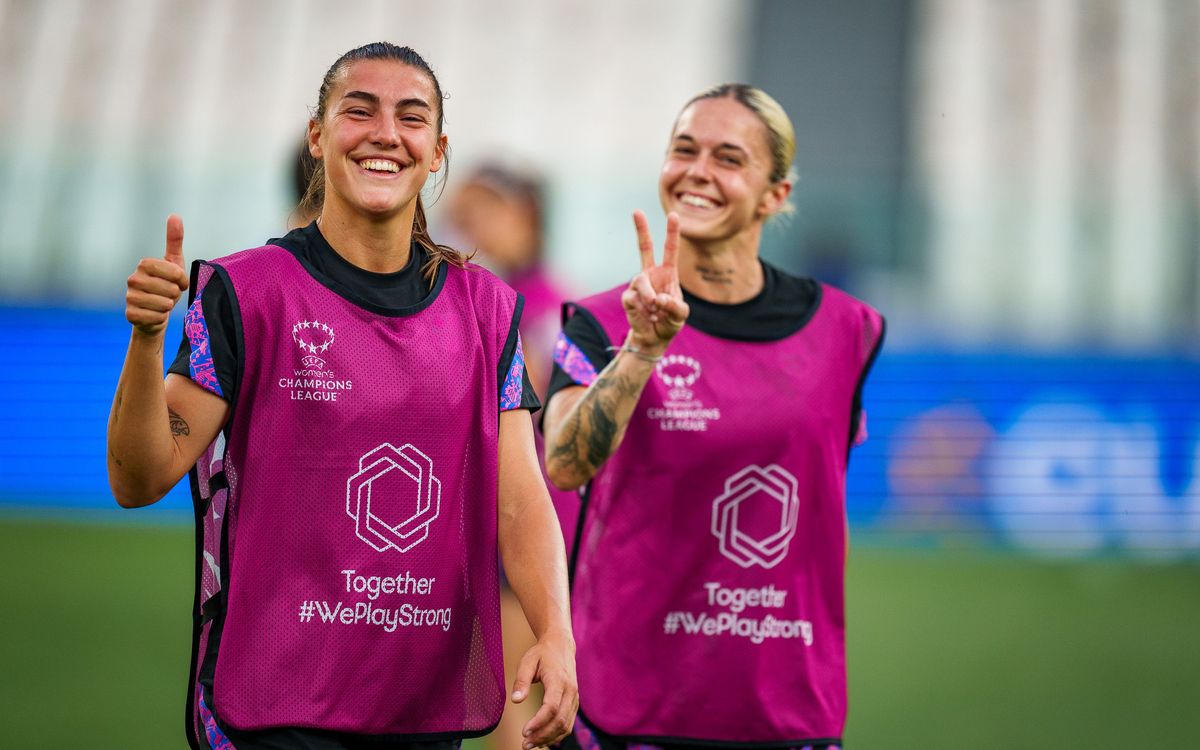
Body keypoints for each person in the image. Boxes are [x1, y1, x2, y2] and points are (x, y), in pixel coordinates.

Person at [107, 42, 576, 750]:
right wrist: (146, 339)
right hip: (270, 710)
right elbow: (138, 477)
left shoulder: (488, 311)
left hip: (420, 710)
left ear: (437, 149)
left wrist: (556, 635)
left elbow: (518, 498)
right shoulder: (247, 294)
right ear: (319, 137)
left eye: (410, 117)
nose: (386, 133)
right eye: (360, 111)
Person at [541, 84, 885, 749]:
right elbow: (563, 463)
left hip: (785, 713)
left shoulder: (848, 331)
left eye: (729, 157)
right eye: (683, 150)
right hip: (631, 709)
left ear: (774, 194)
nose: (698, 171)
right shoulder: (600, 323)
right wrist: (641, 349)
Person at [445, 162, 576, 750]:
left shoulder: (540, 303)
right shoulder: (507, 293)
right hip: (502, 512)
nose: (466, 227)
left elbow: (535, 399)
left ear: (521, 215)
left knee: (516, 705)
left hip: (531, 516)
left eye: (479, 214)